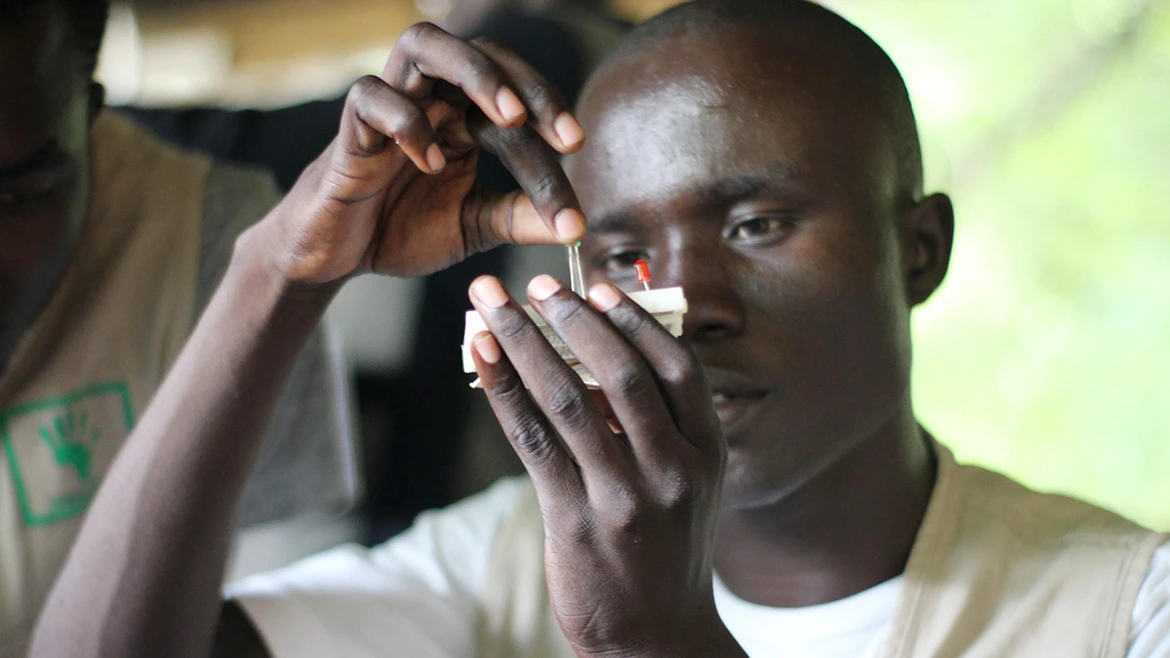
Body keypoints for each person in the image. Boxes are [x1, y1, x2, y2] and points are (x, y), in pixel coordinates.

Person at [29, 1, 1170, 657]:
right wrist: (281, 269)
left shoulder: (1124, 608)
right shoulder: (499, 568)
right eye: (621, 257)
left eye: (760, 221)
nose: (688, 303)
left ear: (918, 250)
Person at [0, 1, 356, 654]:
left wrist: (270, 292)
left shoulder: (230, 251)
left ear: (90, 113)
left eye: (17, 198)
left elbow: (289, 606)